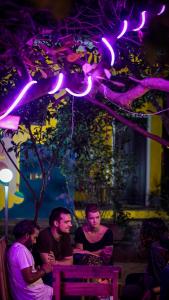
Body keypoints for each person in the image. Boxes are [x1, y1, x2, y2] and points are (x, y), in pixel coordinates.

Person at [121, 218, 169, 300]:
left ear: (149, 232)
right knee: (131, 277)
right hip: (155, 282)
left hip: (157, 286)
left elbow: (161, 279)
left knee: (128, 290)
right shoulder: (161, 243)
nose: (140, 232)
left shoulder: (155, 248)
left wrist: (151, 291)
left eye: (142, 229)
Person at [7, 219, 53, 300]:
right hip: (34, 295)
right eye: (34, 237)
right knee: (64, 288)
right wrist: (44, 270)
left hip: (30, 292)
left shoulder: (16, 248)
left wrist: (38, 270)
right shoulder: (20, 251)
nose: (35, 242)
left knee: (55, 279)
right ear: (27, 235)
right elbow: (29, 278)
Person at [35, 206, 73, 286]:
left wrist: (56, 262)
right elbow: (48, 266)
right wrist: (60, 263)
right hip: (43, 273)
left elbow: (70, 262)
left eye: (70, 222)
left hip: (59, 269)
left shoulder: (65, 235)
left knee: (76, 279)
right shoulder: (44, 236)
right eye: (66, 222)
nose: (71, 225)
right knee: (54, 279)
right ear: (56, 223)